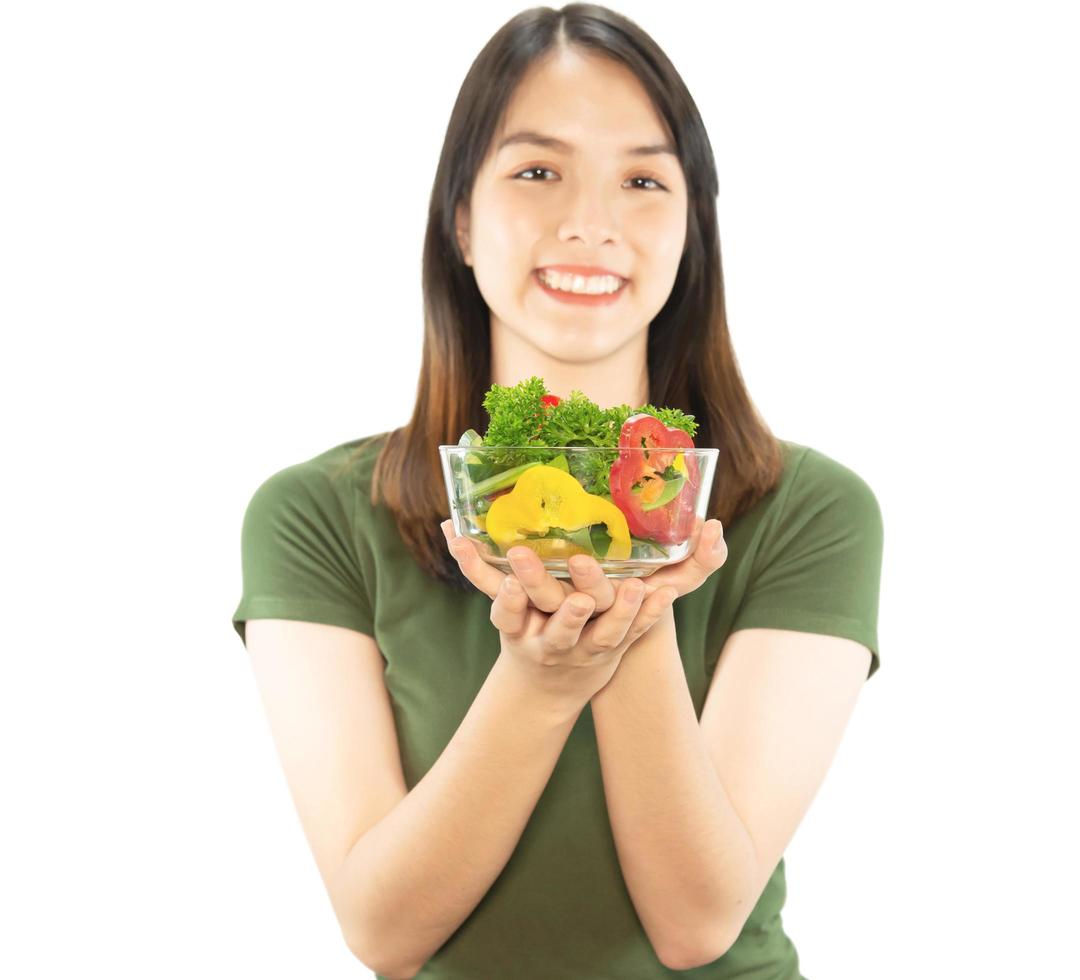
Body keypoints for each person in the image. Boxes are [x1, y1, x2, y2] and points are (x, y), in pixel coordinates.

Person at [232, 5, 883, 977]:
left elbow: (695, 922)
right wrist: (538, 683)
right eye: (537, 170)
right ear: (460, 216)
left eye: (643, 179)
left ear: (691, 228)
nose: (590, 222)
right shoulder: (316, 515)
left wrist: (634, 620)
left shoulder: (810, 509)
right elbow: (383, 928)